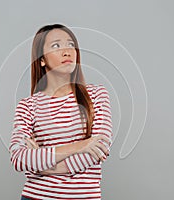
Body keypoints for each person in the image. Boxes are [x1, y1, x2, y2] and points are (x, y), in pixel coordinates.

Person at [9, 24, 113, 200]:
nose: (67, 51)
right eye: (56, 46)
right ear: (41, 59)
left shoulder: (96, 95)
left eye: (71, 45)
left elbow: (99, 148)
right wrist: (80, 145)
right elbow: (19, 158)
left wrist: (43, 166)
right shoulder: (28, 106)